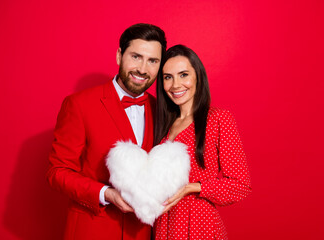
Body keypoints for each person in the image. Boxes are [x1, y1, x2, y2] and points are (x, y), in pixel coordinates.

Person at [46, 23, 166, 240]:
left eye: (152, 61)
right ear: (120, 55)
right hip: (91, 229)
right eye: (136, 56)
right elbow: (57, 172)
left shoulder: (162, 111)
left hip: (140, 233)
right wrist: (106, 194)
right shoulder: (78, 104)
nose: (142, 69)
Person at [154, 45, 252, 239]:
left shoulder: (217, 119)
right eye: (168, 77)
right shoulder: (162, 124)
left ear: (198, 76)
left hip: (199, 225)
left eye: (183, 75)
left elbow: (241, 185)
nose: (175, 85)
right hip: (164, 224)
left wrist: (192, 187)